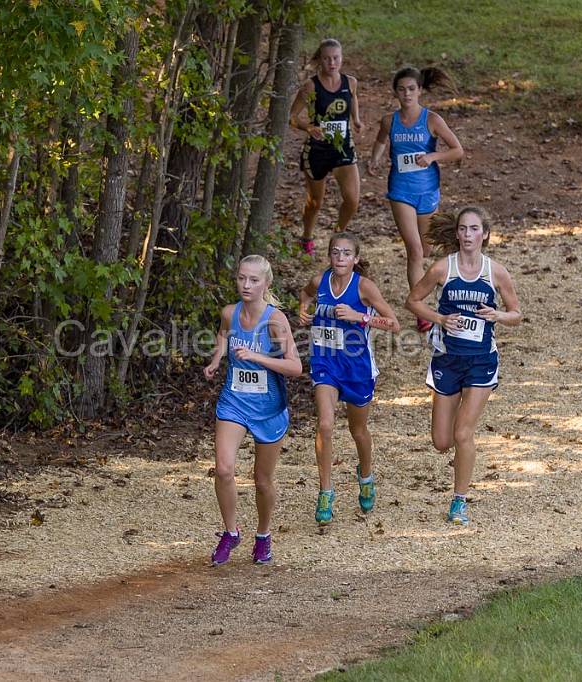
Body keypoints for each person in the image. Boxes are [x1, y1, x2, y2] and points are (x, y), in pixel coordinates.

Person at [405, 207, 521, 525]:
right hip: (447, 359)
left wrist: (498, 315)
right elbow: (412, 301)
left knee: (463, 433)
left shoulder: (495, 272)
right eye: (463, 229)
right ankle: (458, 430)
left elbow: (516, 314)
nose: (468, 235)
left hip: (482, 361)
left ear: (484, 234)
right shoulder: (444, 268)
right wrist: (440, 318)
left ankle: (459, 501)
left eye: (474, 229)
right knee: (442, 442)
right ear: (456, 234)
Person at [204, 255, 302, 565]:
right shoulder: (230, 313)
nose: (246, 285)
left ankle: (263, 534)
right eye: (241, 278)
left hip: (269, 408)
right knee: (223, 469)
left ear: (266, 284)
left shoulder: (275, 321)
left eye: (254, 280)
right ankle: (230, 532)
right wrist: (217, 360)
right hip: (234, 402)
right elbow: (223, 335)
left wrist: (257, 357)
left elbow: (295, 367)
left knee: (262, 480)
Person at [298, 233, 401, 525]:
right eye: (335, 252)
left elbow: (394, 324)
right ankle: (325, 491)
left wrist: (360, 317)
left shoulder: (364, 287)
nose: (340, 258)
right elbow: (304, 295)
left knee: (358, 431)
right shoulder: (320, 282)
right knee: (326, 425)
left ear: (355, 259)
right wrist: (302, 310)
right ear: (330, 256)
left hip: (357, 369)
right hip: (325, 363)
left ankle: (366, 475)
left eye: (346, 253)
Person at [368, 66, 464, 331]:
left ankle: (428, 292)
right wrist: (374, 158)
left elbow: (457, 150)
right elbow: (380, 140)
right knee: (415, 250)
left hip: (428, 190)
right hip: (400, 190)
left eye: (412, 89)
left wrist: (433, 157)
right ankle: (420, 310)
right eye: (401, 89)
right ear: (396, 92)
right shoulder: (390, 120)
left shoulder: (432, 120)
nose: (407, 94)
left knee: (426, 249)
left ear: (420, 90)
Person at [289, 38, 363, 256]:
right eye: (327, 58)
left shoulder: (350, 82)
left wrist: (356, 119)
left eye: (336, 58)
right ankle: (306, 238)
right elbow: (291, 117)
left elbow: (353, 98)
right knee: (315, 203)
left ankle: (338, 236)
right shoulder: (311, 86)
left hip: (343, 148)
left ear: (342, 58)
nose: (332, 63)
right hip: (318, 150)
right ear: (320, 60)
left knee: (352, 201)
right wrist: (308, 127)